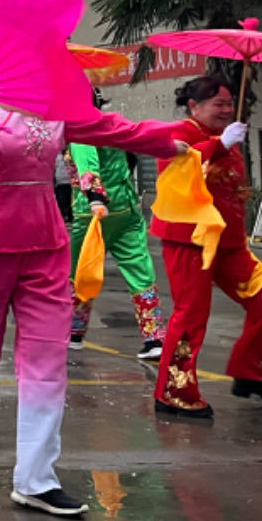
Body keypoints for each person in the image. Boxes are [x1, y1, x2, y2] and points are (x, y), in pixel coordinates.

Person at [0, 82, 183, 517]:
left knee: (47, 359)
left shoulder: (58, 102)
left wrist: (183, 135)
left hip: (43, 238)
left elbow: (116, 129)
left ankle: (36, 479)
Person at [150, 76, 262, 418]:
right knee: (191, 316)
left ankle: (248, 373)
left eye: (229, 103)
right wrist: (219, 146)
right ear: (194, 107)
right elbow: (177, 172)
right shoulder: (180, 134)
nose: (227, 110)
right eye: (219, 104)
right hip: (190, 240)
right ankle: (174, 391)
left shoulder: (228, 135)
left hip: (229, 243)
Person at [67, 90, 166, 361]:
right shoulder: (113, 122)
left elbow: (88, 165)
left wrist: (96, 197)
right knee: (141, 272)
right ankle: (154, 336)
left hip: (93, 213)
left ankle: (74, 333)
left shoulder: (79, 127)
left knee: (83, 272)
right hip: (127, 208)